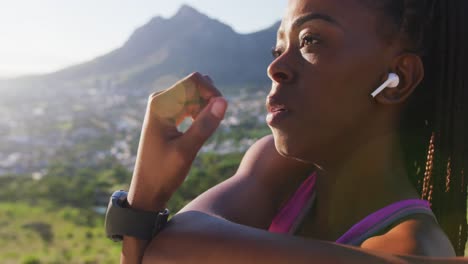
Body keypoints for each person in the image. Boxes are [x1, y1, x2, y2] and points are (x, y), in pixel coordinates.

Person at [118, 0, 468, 263]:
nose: (275, 67)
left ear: (398, 80)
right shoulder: (277, 166)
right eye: (278, 48)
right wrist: (144, 197)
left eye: (311, 40)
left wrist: (146, 205)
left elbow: (173, 248)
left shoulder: (413, 246)